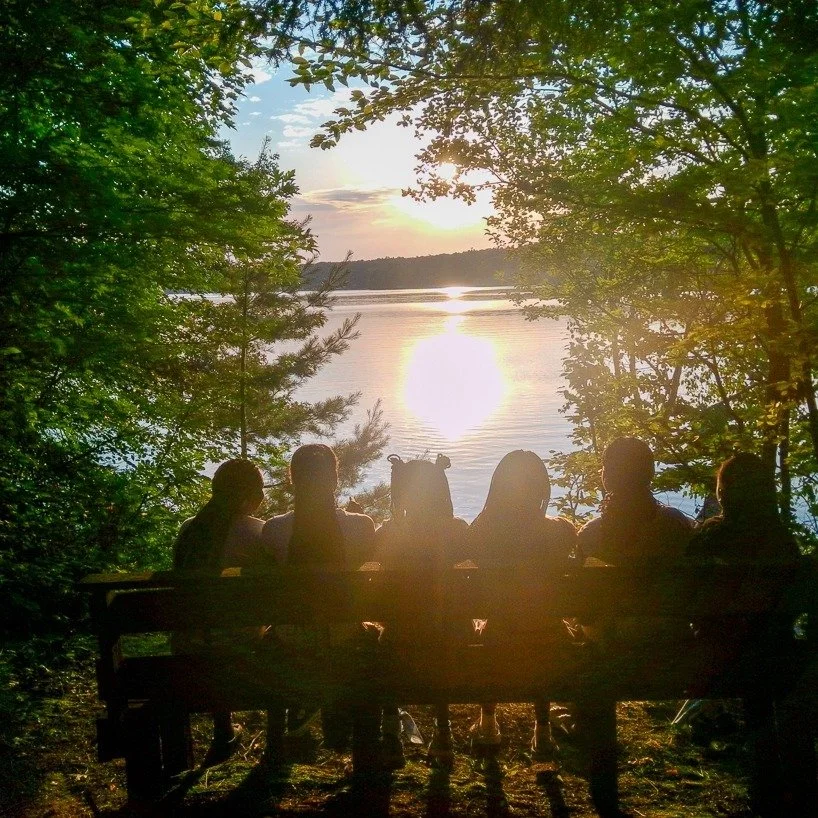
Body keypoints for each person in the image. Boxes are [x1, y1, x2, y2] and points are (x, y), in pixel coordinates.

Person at [686, 453, 811, 816]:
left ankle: (766, 790)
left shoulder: (708, 538)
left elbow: (688, 600)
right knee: (764, 685)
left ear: (723, 494)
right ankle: (778, 789)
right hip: (774, 654)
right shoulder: (782, 543)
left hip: (718, 657)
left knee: (754, 679)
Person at [576, 438, 693, 817]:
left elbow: (585, 610)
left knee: (588, 651)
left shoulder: (592, 534)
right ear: (650, 474)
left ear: (608, 477)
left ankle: (603, 789)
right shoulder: (680, 526)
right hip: (674, 645)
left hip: (614, 649)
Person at [261, 444, 377, 755]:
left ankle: (287, 736)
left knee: (285, 636)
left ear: (292, 480)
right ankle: (361, 744)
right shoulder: (362, 526)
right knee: (364, 640)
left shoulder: (274, 529)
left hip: (291, 641)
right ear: (335, 480)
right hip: (346, 637)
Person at [466, 450, 577, 773]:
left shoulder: (481, 531)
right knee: (541, 631)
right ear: (541, 487)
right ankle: (542, 731)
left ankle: (488, 722)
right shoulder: (561, 531)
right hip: (552, 644)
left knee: (492, 634)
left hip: (499, 640)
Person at [374, 453, 468, 770]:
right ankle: (443, 732)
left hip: (400, 640)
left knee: (384, 640)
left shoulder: (388, 533)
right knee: (442, 637)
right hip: (450, 638)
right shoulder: (457, 531)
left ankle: (390, 731)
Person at [172, 458, 265, 762]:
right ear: (249, 496)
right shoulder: (257, 532)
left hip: (188, 650)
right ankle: (284, 736)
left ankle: (223, 729)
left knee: (211, 631)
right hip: (242, 649)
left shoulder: (190, 529)